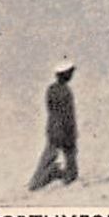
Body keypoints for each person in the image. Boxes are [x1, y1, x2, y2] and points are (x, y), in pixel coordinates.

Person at [28, 61, 77, 191]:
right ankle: (38, 181)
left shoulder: (51, 89)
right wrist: (70, 130)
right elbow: (67, 113)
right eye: (70, 73)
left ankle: (38, 180)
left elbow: (52, 109)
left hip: (53, 127)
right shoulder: (65, 91)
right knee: (64, 153)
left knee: (52, 154)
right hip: (64, 129)